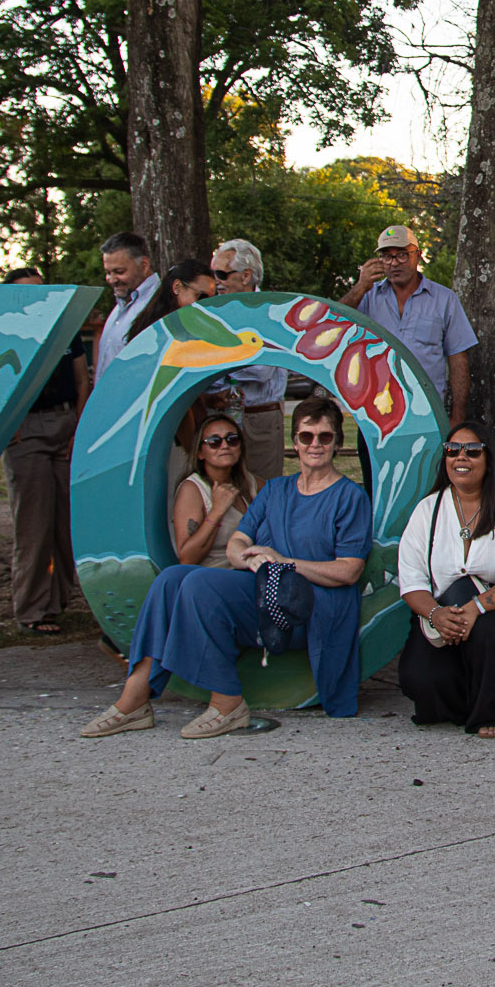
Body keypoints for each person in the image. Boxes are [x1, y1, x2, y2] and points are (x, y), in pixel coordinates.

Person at [79, 396, 373, 738]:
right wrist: (249, 558)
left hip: (308, 609)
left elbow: (349, 571)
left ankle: (227, 703)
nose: (315, 445)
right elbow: (237, 543)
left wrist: (283, 562)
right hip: (265, 593)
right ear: (295, 442)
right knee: (172, 579)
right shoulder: (275, 489)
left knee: (199, 585)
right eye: (307, 436)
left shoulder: (350, 497)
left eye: (325, 437)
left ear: (338, 442)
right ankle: (135, 698)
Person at [397, 423, 495, 736]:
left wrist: (473, 609)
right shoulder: (428, 509)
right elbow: (412, 582)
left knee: (489, 633)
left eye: (472, 450)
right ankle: (484, 693)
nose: (461, 457)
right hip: (445, 613)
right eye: (452, 450)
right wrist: (437, 615)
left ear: (489, 458)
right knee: (420, 679)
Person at [0, 266, 87, 632]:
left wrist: (79, 427)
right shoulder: (7, 331)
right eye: (26, 292)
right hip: (27, 428)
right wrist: (10, 424)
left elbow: (82, 379)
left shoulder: (67, 328)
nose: (37, 297)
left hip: (67, 424)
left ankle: (59, 600)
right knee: (34, 524)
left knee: (67, 524)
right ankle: (32, 610)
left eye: (40, 289)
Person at [349, 224, 477, 420]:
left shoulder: (444, 300)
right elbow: (331, 322)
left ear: (418, 255)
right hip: (374, 414)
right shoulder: (367, 296)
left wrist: (457, 416)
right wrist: (360, 287)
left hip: (426, 413)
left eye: (402, 255)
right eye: (387, 256)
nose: (394, 263)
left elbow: (458, 359)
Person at [207, 238, 289, 483]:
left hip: (259, 419)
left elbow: (260, 370)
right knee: (221, 494)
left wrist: (218, 366)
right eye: (214, 274)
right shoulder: (213, 311)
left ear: (245, 276)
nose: (216, 281)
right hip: (218, 416)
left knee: (261, 493)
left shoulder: (270, 312)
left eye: (222, 273)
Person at [173, 409, 254, 567]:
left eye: (232, 439)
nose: (224, 446)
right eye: (214, 442)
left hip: (251, 574)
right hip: (212, 578)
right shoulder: (192, 489)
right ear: (200, 453)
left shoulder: (250, 482)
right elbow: (187, 559)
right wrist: (217, 511)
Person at [88, 232, 157, 400]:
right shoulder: (122, 304)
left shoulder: (157, 305)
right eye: (108, 272)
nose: (112, 279)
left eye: (119, 271)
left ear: (144, 265)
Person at [127, 258, 216, 343]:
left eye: (213, 300)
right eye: (202, 297)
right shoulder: (153, 333)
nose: (207, 305)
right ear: (177, 287)